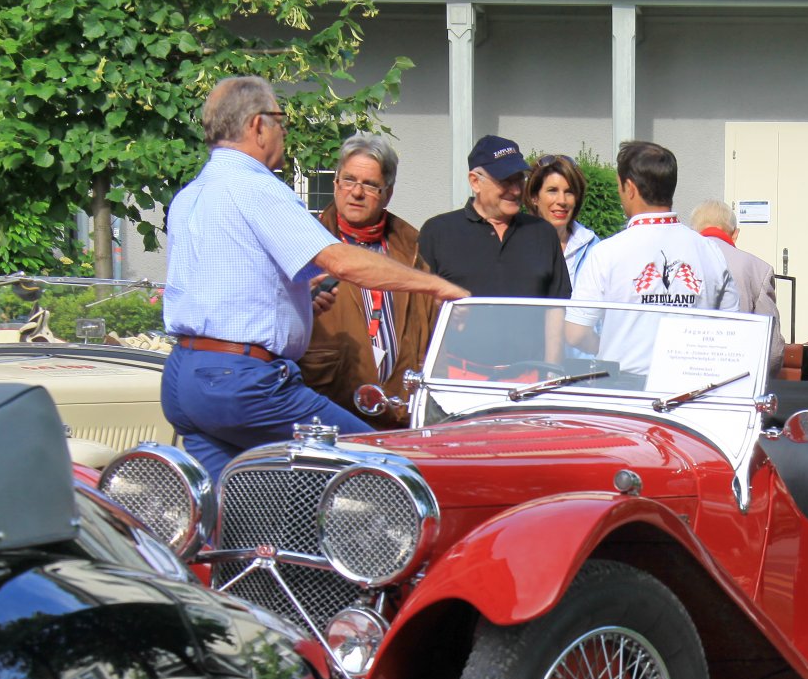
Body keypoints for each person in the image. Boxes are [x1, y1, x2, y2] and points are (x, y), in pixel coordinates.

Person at [161, 77, 465, 480]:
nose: (284, 132)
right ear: (257, 125)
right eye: (280, 120)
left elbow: (228, 286)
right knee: (389, 468)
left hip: (184, 379)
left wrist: (297, 300)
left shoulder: (191, 194)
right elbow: (340, 261)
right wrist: (438, 286)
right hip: (241, 382)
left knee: (237, 504)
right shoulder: (257, 187)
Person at [564, 141, 738, 374]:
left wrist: (609, 348)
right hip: (689, 384)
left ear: (629, 188)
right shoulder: (709, 251)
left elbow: (575, 333)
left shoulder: (606, 253)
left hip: (625, 386)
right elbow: (732, 329)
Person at [303, 134, 435, 428]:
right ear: (335, 183)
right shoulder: (309, 244)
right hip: (330, 410)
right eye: (349, 180)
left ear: (387, 193)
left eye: (370, 185)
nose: (356, 192)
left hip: (398, 415)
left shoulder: (411, 249)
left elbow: (430, 326)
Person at [417, 135, 571, 299]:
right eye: (506, 181)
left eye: (519, 179)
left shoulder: (542, 232)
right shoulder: (438, 232)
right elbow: (419, 303)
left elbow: (559, 304)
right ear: (475, 182)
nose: (516, 190)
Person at [688, 199, 786, 370]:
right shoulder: (758, 268)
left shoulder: (673, 263)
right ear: (735, 234)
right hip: (737, 374)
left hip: (686, 372)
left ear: (693, 231)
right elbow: (772, 349)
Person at [526, 154, 599, 282]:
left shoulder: (592, 247)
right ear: (534, 197)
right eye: (552, 190)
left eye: (569, 192)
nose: (562, 201)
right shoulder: (516, 245)